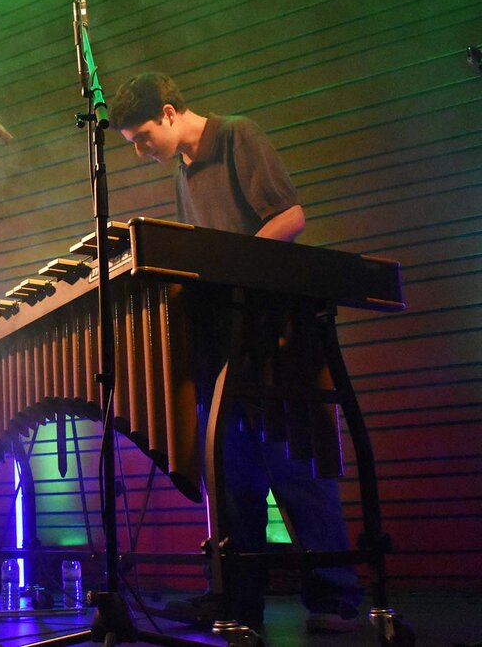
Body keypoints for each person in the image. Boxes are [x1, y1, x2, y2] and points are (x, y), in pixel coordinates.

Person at [109, 72, 361, 633]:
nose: (142, 152)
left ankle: (337, 597)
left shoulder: (236, 136)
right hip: (228, 333)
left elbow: (291, 217)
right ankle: (237, 598)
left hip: (277, 332)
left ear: (169, 112)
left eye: (144, 137)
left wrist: (234, 268)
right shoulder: (182, 170)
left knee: (295, 466)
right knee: (229, 472)